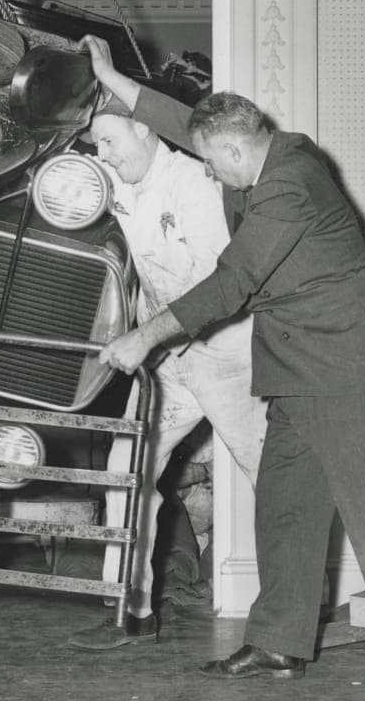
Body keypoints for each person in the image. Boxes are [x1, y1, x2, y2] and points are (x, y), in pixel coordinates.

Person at [78, 35, 365, 693]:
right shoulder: (258, 152)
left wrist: (145, 337)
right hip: (299, 367)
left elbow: (234, 280)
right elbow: (179, 126)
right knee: (286, 504)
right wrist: (111, 77)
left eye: (215, 166)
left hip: (344, 367)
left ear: (236, 151)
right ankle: (279, 643)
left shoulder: (292, 184)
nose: (210, 175)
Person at [67, 102, 268, 651]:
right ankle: (129, 613)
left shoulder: (193, 185)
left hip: (227, 358)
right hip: (168, 363)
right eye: (95, 146)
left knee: (272, 480)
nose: (102, 155)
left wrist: (143, 337)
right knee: (125, 473)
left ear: (144, 127)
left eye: (109, 141)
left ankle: (292, 618)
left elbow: (215, 291)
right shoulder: (117, 179)